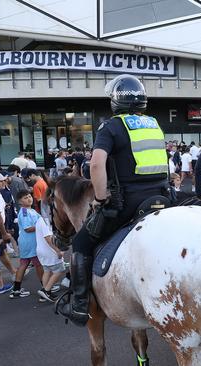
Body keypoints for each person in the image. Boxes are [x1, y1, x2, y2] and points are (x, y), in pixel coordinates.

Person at [56, 74, 169, 326]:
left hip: (128, 202)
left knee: (82, 243)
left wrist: (99, 197)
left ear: (116, 101)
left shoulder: (111, 126)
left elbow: (96, 165)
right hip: (161, 198)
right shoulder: (153, 124)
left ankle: (79, 305)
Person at [10, 190, 44, 299]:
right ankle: (45, 287)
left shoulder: (30, 210)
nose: (29, 199)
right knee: (38, 264)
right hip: (30, 243)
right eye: (25, 198)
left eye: (29, 196)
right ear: (19, 202)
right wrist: (42, 227)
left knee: (24, 264)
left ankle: (16, 289)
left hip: (28, 242)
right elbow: (28, 228)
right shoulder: (24, 212)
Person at [35, 216, 65, 302]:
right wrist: (58, 251)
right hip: (49, 251)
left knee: (47, 271)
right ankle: (46, 291)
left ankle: (44, 294)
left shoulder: (40, 219)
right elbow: (48, 238)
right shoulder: (46, 220)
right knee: (59, 270)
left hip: (42, 250)